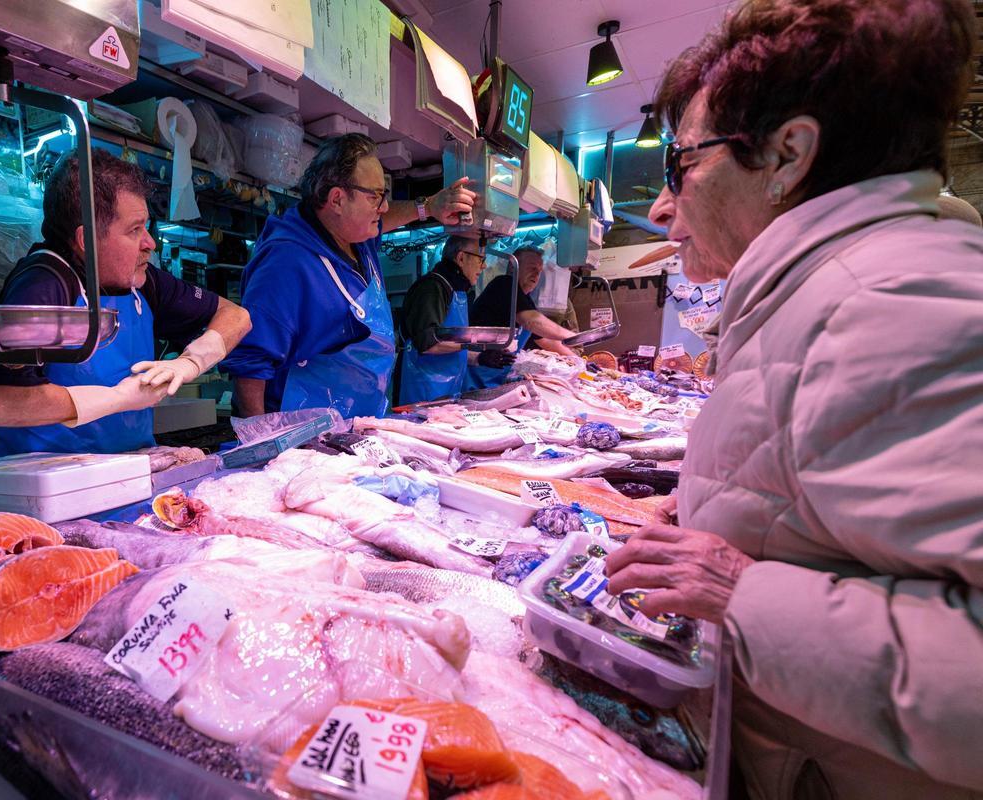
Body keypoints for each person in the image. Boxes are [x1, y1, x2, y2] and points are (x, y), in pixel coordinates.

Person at [599, 1, 983, 797]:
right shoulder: (832, 291)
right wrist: (718, 513)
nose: (663, 207)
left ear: (788, 155)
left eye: (680, 164)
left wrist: (742, 592)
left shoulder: (894, 304)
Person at [0, 149, 251, 456]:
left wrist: (191, 362)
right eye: (135, 230)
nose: (150, 244)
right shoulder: (43, 284)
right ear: (86, 240)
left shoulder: (144, 281)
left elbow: (236, 316)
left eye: (146, 227)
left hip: (128, 469)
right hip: (46, 477)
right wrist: (118, 398)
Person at [223, 133, 476, 418]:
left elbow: (386, 218)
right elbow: (250, 365)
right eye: (375, 196)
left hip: (358, 421)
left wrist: (428, 207)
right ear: (337, 199)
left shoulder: (358, 238)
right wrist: (264, 439)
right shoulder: (286, 263)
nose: (384, 207)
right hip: (301, 431)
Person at [395, 235, 505, 404]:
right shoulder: (432, 288)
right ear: (461, 258)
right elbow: (428, 344)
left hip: (446, 391)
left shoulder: (458, 291)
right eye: (481, 259)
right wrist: (476, 344)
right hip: (421, 390)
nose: (484, 266)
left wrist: (479, 358)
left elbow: (451, 348)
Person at [465, 246, 579, 389]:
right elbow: (531, 321)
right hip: (475, 376)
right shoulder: (504, 285)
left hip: (495, 378)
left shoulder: (525, 299)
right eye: (532, 268)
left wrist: (577, 360)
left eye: (539, 271)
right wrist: (575, 337)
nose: (536, 275)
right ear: (513, 268)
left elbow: (544, 340)